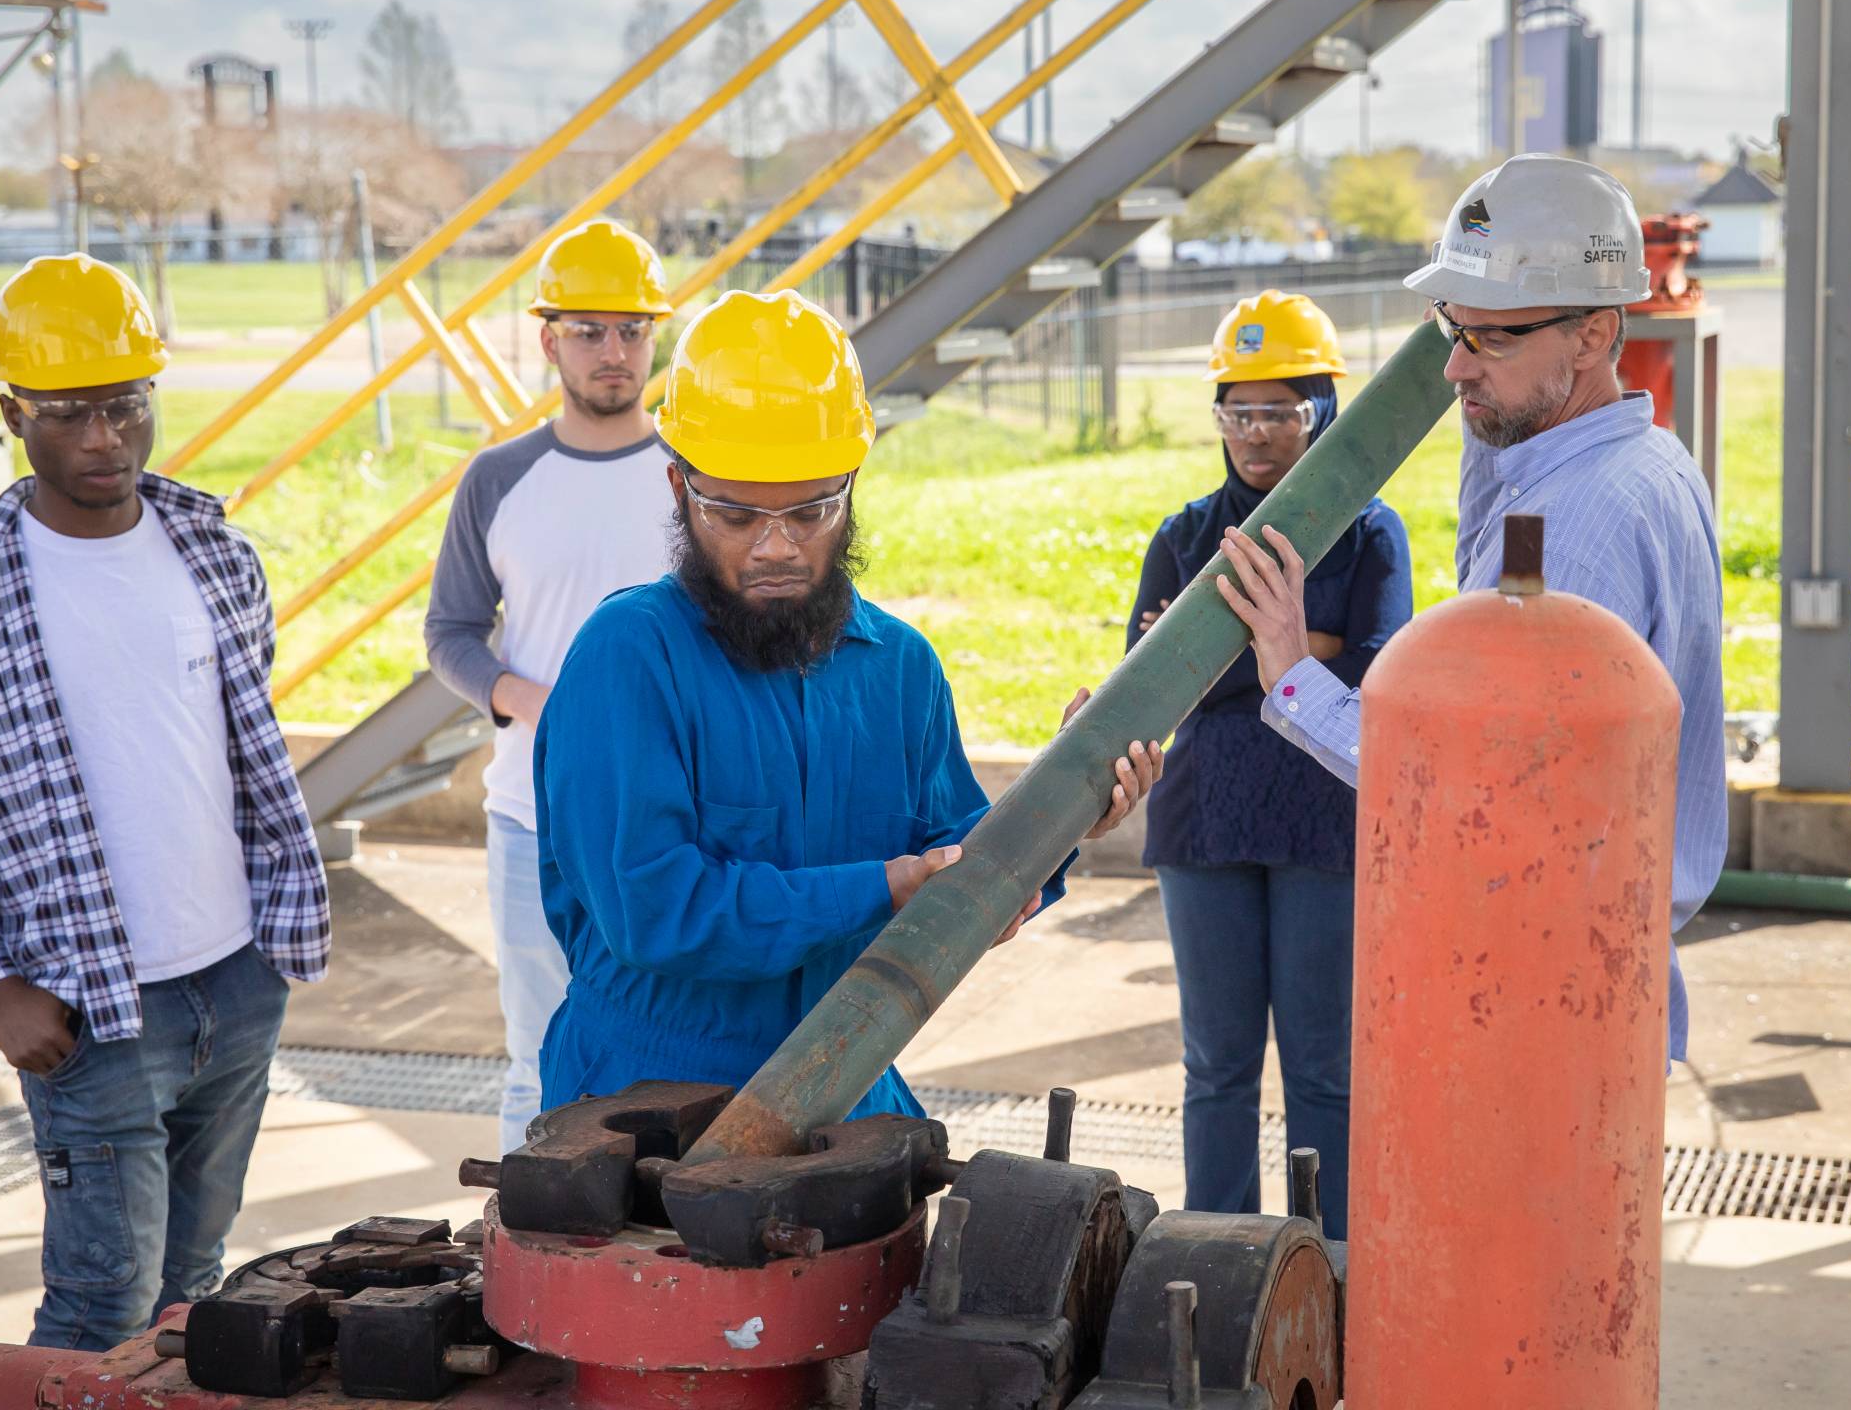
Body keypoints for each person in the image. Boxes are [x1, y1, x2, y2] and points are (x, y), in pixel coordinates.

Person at [532, 289, 1163, 1116]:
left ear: (853, 486)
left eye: (811, 509)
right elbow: (656, 910)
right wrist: (882, 887)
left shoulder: (900, 669)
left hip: (847, 1085)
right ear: (679, 486)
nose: (777, 544)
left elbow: (953, 871)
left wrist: (1062, 814)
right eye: (734, 513)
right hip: (642, 1099)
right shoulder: (629, 657)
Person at [0, 254, 328, 1351]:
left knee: (194, 1292)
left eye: (126, 407)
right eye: (69, 414)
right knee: (98, 1306)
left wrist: (265, 947)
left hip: (237, 980)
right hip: (91, 1008)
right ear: (11, 413)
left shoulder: (214, 550)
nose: (102, 439)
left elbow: (236, 754)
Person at [1212, 154, 1726, 1065]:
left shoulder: (1566, 531)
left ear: (1593, 332)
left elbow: (1470, 788)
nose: (1452, 367)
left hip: (1537, 992)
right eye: (1454, 330)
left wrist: (1293, 673)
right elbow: (1503, 496)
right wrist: (1488, 360)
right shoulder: (1640, 463)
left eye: (1492, 339)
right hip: (1596, 965)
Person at [1125, 291, 1410, 1238]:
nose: (1255, 433)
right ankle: (1216, 1265)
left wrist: (1217, 649)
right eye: (1237, 411)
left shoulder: (1371, 533)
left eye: (1279, 411)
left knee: (1325, 1069)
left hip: (1327, 823)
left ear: (1322, 411)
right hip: (1204, 826)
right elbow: (1157, 689)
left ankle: (1330, 1270)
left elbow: (1380, 679)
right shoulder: (1180, 535)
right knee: (1217, 1068)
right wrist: (1295, 646)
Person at [425, 219, 678, 1153]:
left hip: (673, 825)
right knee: (537, 1059)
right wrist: (531, 702)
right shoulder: (499, 479)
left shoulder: (694, 477)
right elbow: (450, 633)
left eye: (632, 330)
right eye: (588, 330)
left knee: (669, 1063)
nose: (613, 353)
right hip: (531, 820)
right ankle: (517, 1271)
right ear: (548, 340)